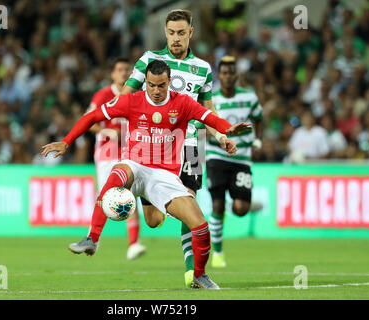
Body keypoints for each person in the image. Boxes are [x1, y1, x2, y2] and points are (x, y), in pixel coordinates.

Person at [42, 60, 251, 289]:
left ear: (170, 82)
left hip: (164, 177)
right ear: (145, 83)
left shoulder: (183, 103)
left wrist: (226, 129)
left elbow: (210, 118)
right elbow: (92, 117)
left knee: (199, 226)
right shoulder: (131, 101)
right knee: (116, 175)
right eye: (151, 85)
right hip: (135, 165)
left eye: (161, 85)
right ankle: (92, 239)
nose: (156, 91)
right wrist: (66, 141)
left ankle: (199, 275)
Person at [74, 8, 235, 288]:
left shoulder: (204, 69)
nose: (176, 38)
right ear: (165, 32)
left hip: (193, 145)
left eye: (181, 33)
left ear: (190, 33)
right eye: (171, 33)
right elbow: (127, 96)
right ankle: (148, 195)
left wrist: (220, 137)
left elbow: (208, 110)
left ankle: (193, 272)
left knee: (191, 202)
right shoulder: (149, 60)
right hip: (155, 146)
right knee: (153, 220)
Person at [86, 58, 146, 260]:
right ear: (113, 74)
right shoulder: (103, 95)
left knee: (130, 195)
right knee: (104, 196)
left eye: (127, 70)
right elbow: (89, 120)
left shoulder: (138, 95)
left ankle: (134, 244)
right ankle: (93, 239)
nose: (123, 73)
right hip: (106, 153)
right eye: (119, 69)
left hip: (130, 152)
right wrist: (107, 132)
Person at [207, 56, 264, 268]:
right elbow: (204, 124)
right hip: (216, 156)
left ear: (237, 76)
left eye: (232, 73)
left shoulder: (249, 97)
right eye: (224, 73)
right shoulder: (211, 100)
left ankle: (233, 201)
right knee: (217, 204)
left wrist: (257, 141)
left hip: (242, 159)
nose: (228, 76)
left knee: (240, 209)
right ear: (219, 75)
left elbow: (259, 118)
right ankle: (218, 253)